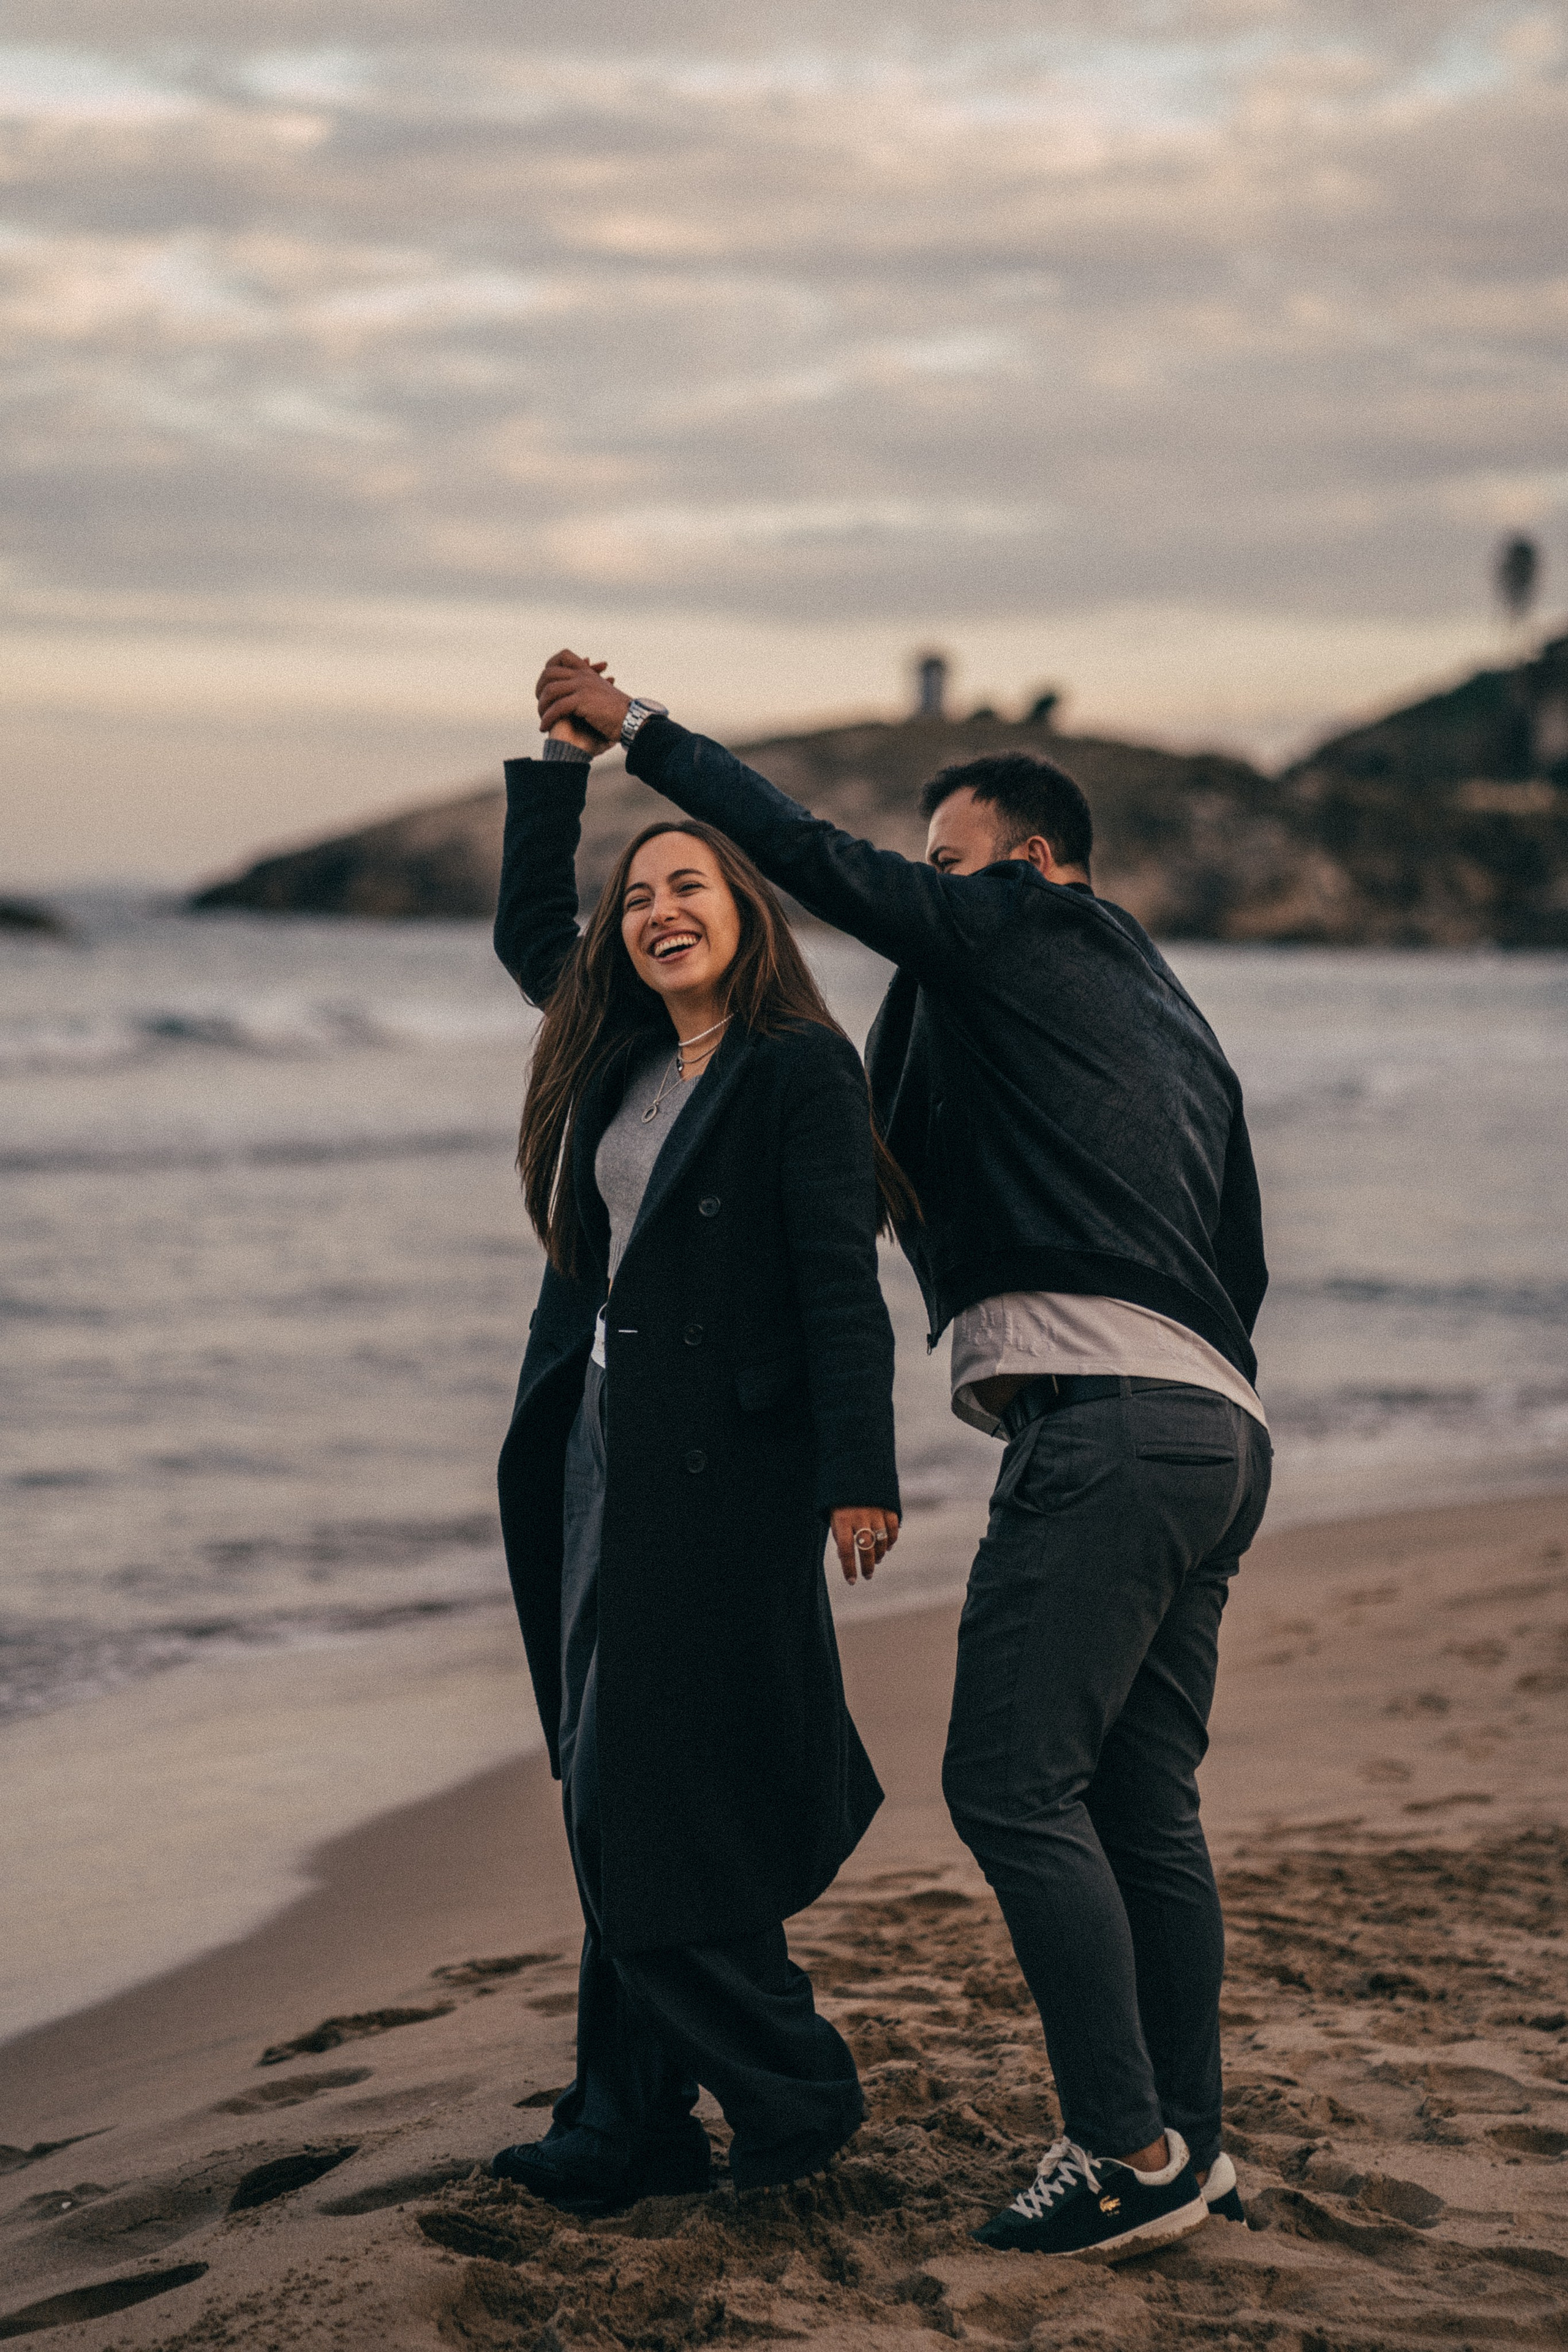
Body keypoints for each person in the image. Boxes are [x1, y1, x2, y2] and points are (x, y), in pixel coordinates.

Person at [533, 650, 1271, 2263]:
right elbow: (1239, 1244)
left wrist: (638, 732)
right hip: (1215, 1429)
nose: (927, 896)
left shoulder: (1021, 926)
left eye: (949, 865)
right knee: (1142, 1809)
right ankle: (1191, 2149)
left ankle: (1123, 2147)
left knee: (1011, 1790)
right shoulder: (1166, 1016)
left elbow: (814, 859)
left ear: (1031, 865)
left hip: (1107, 1422)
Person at [487, 695, 910, 2215]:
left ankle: (791, 2087)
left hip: (721, 1479)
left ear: (746, 916)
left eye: (690, 887)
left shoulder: (798, 1069)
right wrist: (559, 768)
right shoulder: (614, 1047)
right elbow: (525, 927)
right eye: (638, 897)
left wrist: (857, 1473)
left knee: (640, 1795)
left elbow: (836, 1284)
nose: (659, 911)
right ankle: (629, 2126)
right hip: (597, 1449)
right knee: (617, 1781)